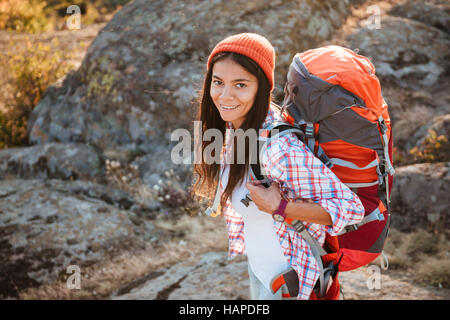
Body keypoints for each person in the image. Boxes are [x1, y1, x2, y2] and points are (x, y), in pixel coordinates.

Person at [192, 33, 365, 300]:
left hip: (294, 285)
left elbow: (351, 209)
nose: (225, 95)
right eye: (218, 82)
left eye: (240, 84)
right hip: (262, 275)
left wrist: (281, 207)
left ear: (262, 88)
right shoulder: (233, 129)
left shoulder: (278, 149)